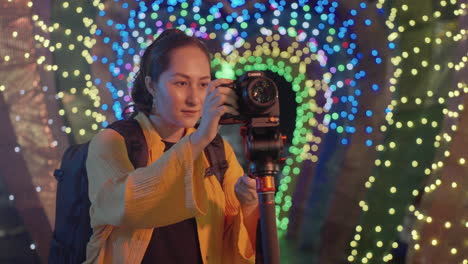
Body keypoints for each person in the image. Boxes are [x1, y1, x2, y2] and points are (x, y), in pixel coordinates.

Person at [83, 28, 260, 264]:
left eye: (203, 84)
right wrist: (198, 138)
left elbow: (236, 248)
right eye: (181, 83)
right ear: (151, 85)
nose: (194, 99)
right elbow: (128, 208)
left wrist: (248, 205)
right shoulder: (112, 142)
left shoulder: (217, 151)